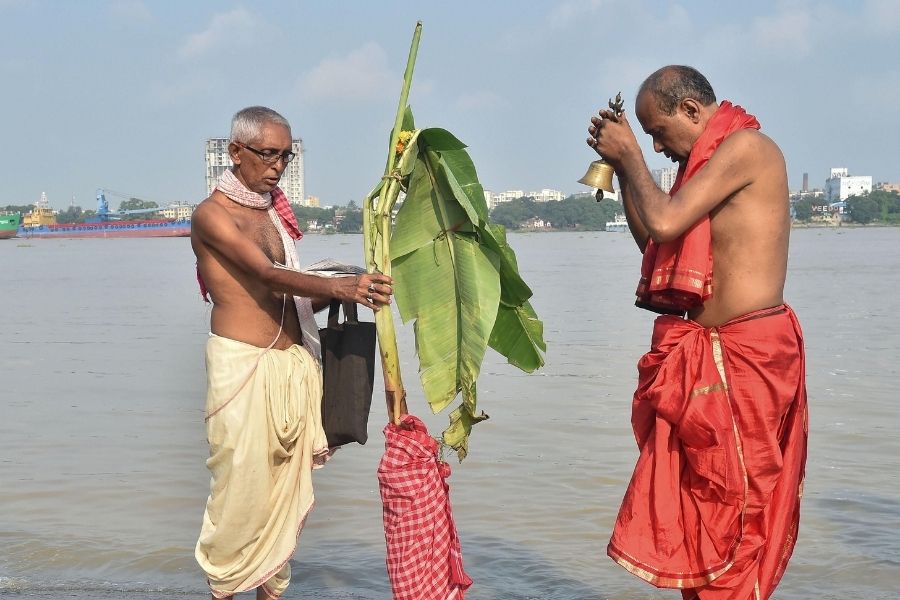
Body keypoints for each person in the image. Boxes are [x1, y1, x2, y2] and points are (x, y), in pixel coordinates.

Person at [586, 66, 808, 599]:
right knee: (702, 502)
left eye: (659, 132)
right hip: (711, 355)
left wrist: (631, 156)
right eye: (649, 138)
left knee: (738, 507)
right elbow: (654, 238)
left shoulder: (747, 147)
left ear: (691, 109)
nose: (658, 146)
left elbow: (664, 222)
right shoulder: (700, 167)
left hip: (746, 354)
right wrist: (620, 168)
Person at [190, 105, 392, 600]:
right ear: (236, 152)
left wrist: (360, 289)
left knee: (281, 500)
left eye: (286, 155)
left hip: (292, 368)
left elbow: (292, 299)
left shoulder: (275, 216)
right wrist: (344, 288)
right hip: (243, 368)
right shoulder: (212, 215)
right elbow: (267, 276)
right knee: (239, 498)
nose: (278, 165)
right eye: (267, 154)